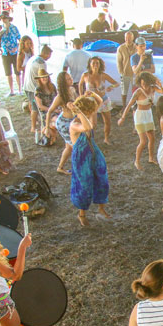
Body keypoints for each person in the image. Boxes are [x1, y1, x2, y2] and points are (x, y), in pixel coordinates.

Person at [69, 93, 110, 226]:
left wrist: (92, 94)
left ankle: (101, 208)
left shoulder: (87, 118)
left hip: (94, 153)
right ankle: (81, 214)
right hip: (81, 158)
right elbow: (87, 128)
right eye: (90, 111)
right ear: (85, 111)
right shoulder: (75, 124)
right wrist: (78, 111)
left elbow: (99, 102)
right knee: (84, 185)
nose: (93, 112)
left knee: (102, 178)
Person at [118, 72, 163, 169]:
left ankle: (151, 158)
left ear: (149, 82)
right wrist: (123, 117)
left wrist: (160, 85)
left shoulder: (153, 88)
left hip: (148, 114)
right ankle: (137, 161)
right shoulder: (138, 92)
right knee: (143, 141)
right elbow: (129, 105)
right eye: (142, 83)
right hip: (139, 115)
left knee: (152, 138)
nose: (144, 85)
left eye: (145, 83)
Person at [80, 56, 119, 145]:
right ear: (90, 64)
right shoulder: (85, 75)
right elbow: (80, 85)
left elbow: (116, 83)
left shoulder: (103, 75)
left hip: (103, 100)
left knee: (108, 121)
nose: (95, 65)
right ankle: (90, 140)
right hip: (91, 102)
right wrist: (81, 96)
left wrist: (110, 87)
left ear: (100, 64)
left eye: (97, 63)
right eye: (93, 63)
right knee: (92, 124)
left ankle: (106, 138)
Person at [46, 72, 77, 174]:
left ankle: (60, 167)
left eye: (70, 77)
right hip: (64, 123)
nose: (71, 79)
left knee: (69, 146)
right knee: (75, 147)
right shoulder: (60, 96)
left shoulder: (72, 90)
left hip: (72, 120)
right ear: (63, 82)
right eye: (68, 79)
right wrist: (47, 128)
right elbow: (50, 111)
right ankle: (78, 168)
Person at [23, 44, 53, 135]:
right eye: (49, 55)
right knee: (36, 108)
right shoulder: (42, 63)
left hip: (27, 85)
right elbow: (43, 77)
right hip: (33, 87)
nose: (49, 58)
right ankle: (33, 127)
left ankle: (35, 122)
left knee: (32, 105)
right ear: (46, 54)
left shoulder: (33, 58)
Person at [0, 11, 22, 97]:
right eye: (1, 18)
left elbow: (20, 39)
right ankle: (11, 90)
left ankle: (20, 89)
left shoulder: (14, 28)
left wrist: (18, 48)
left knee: (17, 71)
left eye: (4, 18)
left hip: (14, 52)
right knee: (8, 73)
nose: (3, 19)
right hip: (5, 53)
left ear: (8, 19)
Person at [117, 31, 136, 108]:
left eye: (129, 38)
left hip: (135, 73)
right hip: (125, 73)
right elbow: (119, 61)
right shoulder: (121, 48)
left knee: (135, 91)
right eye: (126, 38)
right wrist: (121, 72)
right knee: (124, 91)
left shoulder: (136, 47)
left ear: (133, 38)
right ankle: (124, 107)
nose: (128, 39)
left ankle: (134, 106)